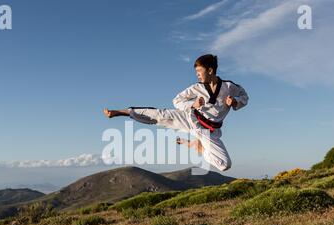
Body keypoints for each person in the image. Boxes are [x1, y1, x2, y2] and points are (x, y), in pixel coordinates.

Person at [103, 54, 249, 171]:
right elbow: (177, 100)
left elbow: (244, 96)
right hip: (190, 118)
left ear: (210, 71)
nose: (197, 75)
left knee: (225, 165)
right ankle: (124, 112)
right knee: (160, 115)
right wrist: (193, 104)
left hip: (209, 131)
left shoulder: (229, 87)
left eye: (199, 72)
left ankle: (197, 146)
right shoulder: (196, 88)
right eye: (196, 72)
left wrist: (235, 102)